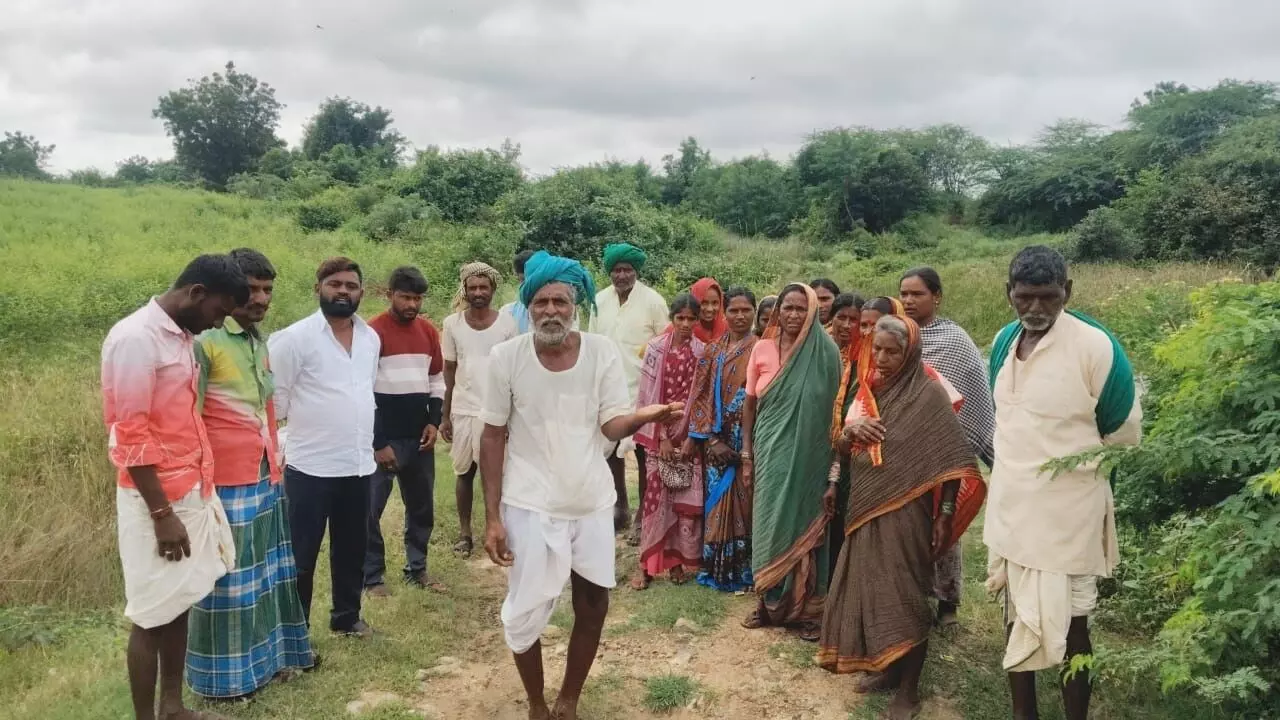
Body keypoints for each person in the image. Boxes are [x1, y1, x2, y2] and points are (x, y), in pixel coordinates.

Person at [478, 250, 684, 720]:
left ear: (577, 306)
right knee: (526, 607)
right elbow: (493, 433)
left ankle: (568, 701)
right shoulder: (505, 357)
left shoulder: (600, 352)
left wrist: (641, 417)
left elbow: (611, 426)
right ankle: (535, 703)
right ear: (528, 306)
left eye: (561, 302)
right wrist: (492, 517)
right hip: (529, 501)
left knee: (592, 602)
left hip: (590, 499)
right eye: (542, 302)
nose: (551, 310)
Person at [984, 246, 1141, 720]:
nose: (1036, 308)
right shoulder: (1001, 342)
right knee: (1016, 616)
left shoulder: (1096, 347)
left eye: (1048, 297)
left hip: (1068, 515)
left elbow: (1122, 433)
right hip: (1013, 508)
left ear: (1067, 292)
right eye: (1026, 297)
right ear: (1009, 293)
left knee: (1075, 626)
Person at [102, 254, 248, 720]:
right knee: (150, 614)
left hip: (189, 490)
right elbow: (130, 434)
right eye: (218, 312)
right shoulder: (135, 339)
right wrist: (162, 515)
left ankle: (172, 707)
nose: (218, 322)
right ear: (196, 293)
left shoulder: (182, 336)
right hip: (155, 502)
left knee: (180, 600)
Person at [819, 314, 986, 720]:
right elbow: (839, 442)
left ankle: (909, 691)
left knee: (907, 592)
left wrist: (945, 514)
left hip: (908, 512)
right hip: (864, 505)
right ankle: (889, 670)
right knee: (875, 587)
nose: (882, 357)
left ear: (911, 353)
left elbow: (951, 460)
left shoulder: (929, 393)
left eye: (893, 351)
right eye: (876, 349)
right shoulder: (868, 389)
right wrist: (850, 435)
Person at [186, 249, 314, 700]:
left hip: (264, 472)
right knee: (230, 584)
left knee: (267, 576)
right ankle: (224, 683)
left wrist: (275, 463)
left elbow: (268, 410)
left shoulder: (259, 341)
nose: (260, 298)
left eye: (267, 290)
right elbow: (189, 418)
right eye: (252, 289)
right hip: (223, 482)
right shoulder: (206, 342)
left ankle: (270, 663)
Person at [269, 257, 380, 637]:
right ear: (318, 288)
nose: (343, 291)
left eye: (351, 285)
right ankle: (295, 630)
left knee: (351, 550)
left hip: (358, 465)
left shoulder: (370, 338)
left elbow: (364, 391)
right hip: (310, 468)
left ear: (361, 292)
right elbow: (276, 405)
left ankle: (346, 617)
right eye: (335, 284)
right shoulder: (292, 340)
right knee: (301, 555)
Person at [741, 283, 840, 641]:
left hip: (811, 457)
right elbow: (749, 405)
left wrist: (832, 474)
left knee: (804, 524)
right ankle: (768, 603)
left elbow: (834, 416)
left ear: (812, 312)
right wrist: (747, 454)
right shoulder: (762, 349)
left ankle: (808, 612)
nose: (794, 314)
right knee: (768, 522)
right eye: (788, 307)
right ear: (778, 310)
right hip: (769, 450)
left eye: (802, 308)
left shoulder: (827, 353)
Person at [900, 266, 996, 628]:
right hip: (903, 449)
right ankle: (910, 594)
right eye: (904, 293)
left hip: (943, 448)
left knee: (945, 521)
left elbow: (970, 396)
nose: (909, 300)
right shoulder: (898, 334)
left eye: (917, 294)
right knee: (908, 524)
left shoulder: (954, 341)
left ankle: (948, 603)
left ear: (936, 297)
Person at [364, 266, 447, 595]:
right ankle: (372, 577)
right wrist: (377, 441)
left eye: (417, 298)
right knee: (370, 510)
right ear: (389, 295)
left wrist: (434, 421)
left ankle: (417, 568)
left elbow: (436, 380)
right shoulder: (372, 334)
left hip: (419, 437)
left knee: (421, 506)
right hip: (384, 439)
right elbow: (363, 390)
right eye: (405, 297)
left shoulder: (428, 331)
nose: (412, 304)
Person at [588, 242, 669, 535]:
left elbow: (665, 344)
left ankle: (642, 517)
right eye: (617, 270)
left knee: (645, 456)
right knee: (611, 453)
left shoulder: (653, 301)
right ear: (610, 272)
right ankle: (619, 508)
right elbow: (591, 343)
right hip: (608, 389)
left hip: (645, 390)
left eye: (627, 269)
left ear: (636, 271)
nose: (622, 275)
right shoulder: (599, 300)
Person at [442, 262, 518, 558]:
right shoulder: (452, 324)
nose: (477, 292)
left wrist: (512, 414)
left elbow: (513, 373)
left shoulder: (506, 325)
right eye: (472, 287)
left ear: (492, 289)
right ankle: (465, 534)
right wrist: (445, 414)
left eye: (483, 287)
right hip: (463, 409)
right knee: (464, 473)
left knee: (498, 474)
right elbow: (449, 369)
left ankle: (497, 527)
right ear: (465, 289)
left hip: (497, 412)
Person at [632, 293, 705, 590]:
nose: (686, 324)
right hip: (658, 436)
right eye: (680, 318)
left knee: (682, 503)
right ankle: (646, 566)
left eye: (691, 319)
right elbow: (649, 396)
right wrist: (661, 435)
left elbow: (701, 401)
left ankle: (676, 563)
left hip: (688, 436)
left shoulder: (703, 352)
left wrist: (690, 437)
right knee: (654, 500)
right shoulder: (654, 349)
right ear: (672, 319)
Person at [689, 287, 759, 592]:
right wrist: (712, 440)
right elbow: (701, 396)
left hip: (749, 442)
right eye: (734, 310)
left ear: (754, 312)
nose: (740, 316)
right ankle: (717, 567)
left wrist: (745, 447)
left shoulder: (763, 349)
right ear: (724, 313)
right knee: (716, 503)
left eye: (746, 310)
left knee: (748, 504)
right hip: (716, 445)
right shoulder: (712, 350)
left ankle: (745, 568)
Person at [500, 249, 536, 333]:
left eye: (532, 280)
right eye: (523, 280)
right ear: (517, 278)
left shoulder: (554, 312)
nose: (528, 286)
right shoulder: (507, 313)